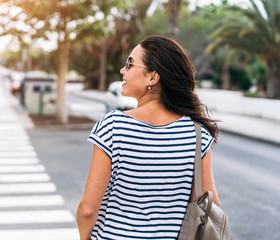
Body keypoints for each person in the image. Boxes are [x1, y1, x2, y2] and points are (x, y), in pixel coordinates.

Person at [76, 35, 219, 240]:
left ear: (153, 77)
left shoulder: (112, 127)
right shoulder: (198, 135)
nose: (122, 70)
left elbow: (88, 210)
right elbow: (210, 205)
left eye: (130, 64)